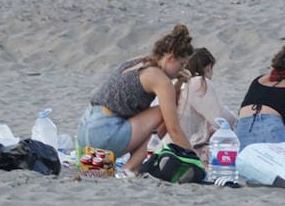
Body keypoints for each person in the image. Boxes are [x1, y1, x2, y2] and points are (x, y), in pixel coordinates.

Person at [77, 23, 196, 175]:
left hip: (85, 132)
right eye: (182, 64)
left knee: (154, 114)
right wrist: (195, 160)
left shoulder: (141, 62)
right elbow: (173, 128)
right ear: (170, 58)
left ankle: (118, 167)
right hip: (104, 135)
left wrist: (178, 82)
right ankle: (130, 168)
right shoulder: (160, 79)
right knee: (163, 114)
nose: (183, 68)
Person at [160, 47, 237, 165]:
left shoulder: (178, 83)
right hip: (186, 149)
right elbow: (221, 120)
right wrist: (236, 120)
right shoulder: (199, 83)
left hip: (166, 147)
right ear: (209, 67)